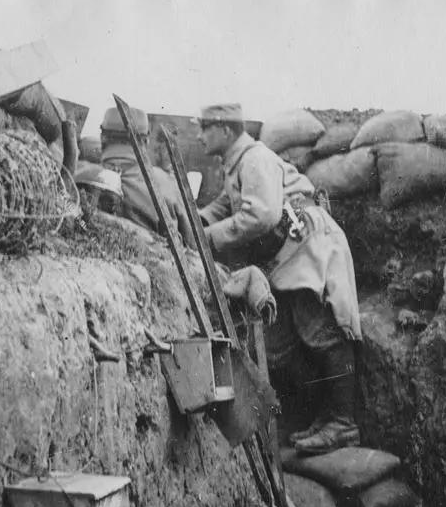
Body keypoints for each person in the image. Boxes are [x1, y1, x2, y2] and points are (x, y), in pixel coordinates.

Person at [194, 103, 362, 455]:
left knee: (321, 331)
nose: (199, 134)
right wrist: (189, 220)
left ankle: (344, 423)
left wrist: (206, 237)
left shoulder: (255, 159)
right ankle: (325, 418)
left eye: (204, 127)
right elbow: (222, 209)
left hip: (307, 242)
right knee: (288, 341)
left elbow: (262, 215)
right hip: (290, 252)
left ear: (225, 129)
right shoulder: (237, 166)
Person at [99, 106, 196, 249]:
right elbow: (192, 244)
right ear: (146, 141)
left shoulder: (80, 175)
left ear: (103, 137)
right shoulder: (165, 183)